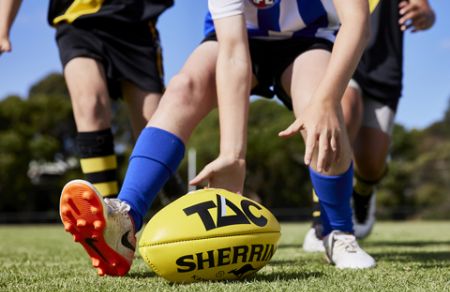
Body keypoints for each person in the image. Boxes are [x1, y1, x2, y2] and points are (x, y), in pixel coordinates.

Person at [59, 0, 375, 277]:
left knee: (317, 103)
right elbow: (235, 54)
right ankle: (124, 220)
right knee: (184, 88)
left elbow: (357, 20)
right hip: (236, 40)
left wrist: (327, 100)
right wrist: (232, 155)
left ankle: (337, 230)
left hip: (309, 38)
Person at [0, 0, 182, 200]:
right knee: (90, 105)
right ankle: (105, 216)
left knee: (153, 133)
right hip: (76, 19)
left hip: (134, 22)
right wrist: (3, 26)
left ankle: (172, 197)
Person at [302, 0, 436, 252]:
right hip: (337, 49)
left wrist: (424, 16)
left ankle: (363, 191)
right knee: (345, 109)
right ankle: (323, 220)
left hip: (384, 64)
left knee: (373, 163)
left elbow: (425, 10)